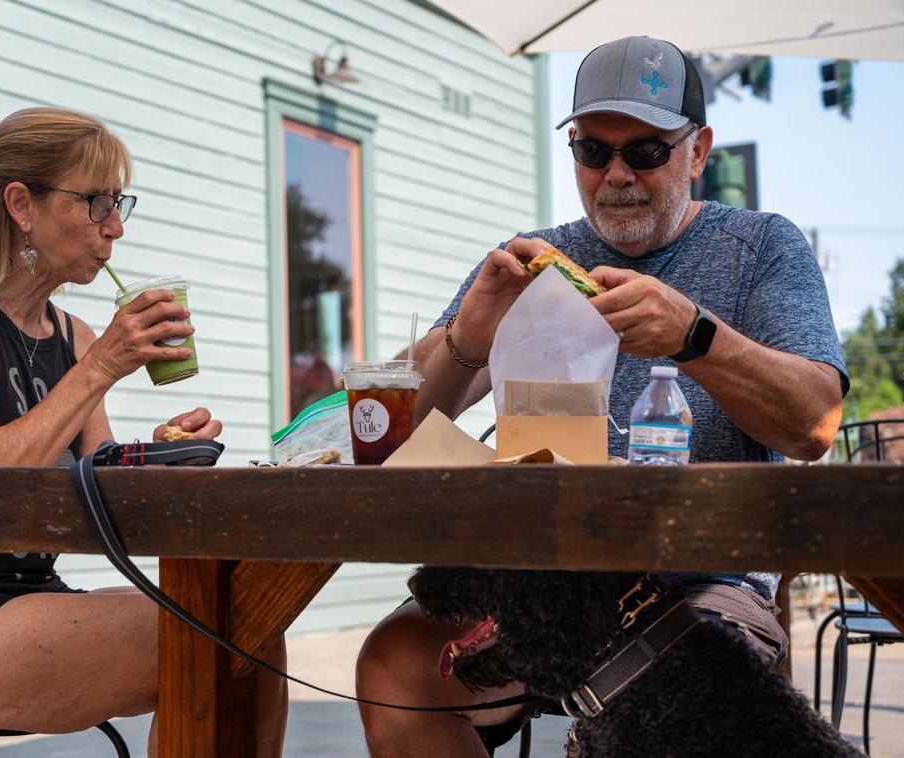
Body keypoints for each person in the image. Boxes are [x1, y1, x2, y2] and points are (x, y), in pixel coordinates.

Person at [356, 36, 848, 757]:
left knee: (655, 686)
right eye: (593, 151)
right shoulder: (533, 255)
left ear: (698, 150)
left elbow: (816, 423)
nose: (616, 175)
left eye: (645, 151)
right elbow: (392, 424)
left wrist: (695, 335)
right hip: (535, 583)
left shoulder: (760, 247)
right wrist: (468, 335)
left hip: (698, 583)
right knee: (394, 668)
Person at [0, 107, 286, 757]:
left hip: (24, 600)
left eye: (118, 204)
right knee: (220, 633)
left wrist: (160, 454)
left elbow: (102, 495)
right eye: (95, 203)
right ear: (21, 205)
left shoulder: (75, 339)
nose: (114, 228)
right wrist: (99, 370)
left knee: (255, 623)